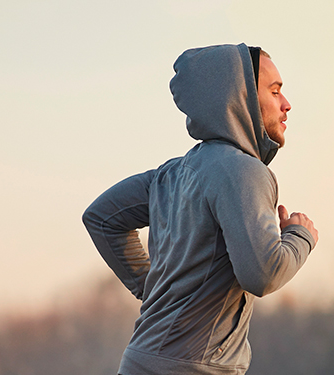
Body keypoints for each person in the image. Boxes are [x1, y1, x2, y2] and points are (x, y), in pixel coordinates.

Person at [81, 43, 318, 375]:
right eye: (274, 91)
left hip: (140, 359)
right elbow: (263, 275)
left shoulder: (170, 174)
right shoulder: (244, 171)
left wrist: (154, 290)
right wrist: (300, 235)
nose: (286, 104)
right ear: (241, 97)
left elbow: (102, 218)